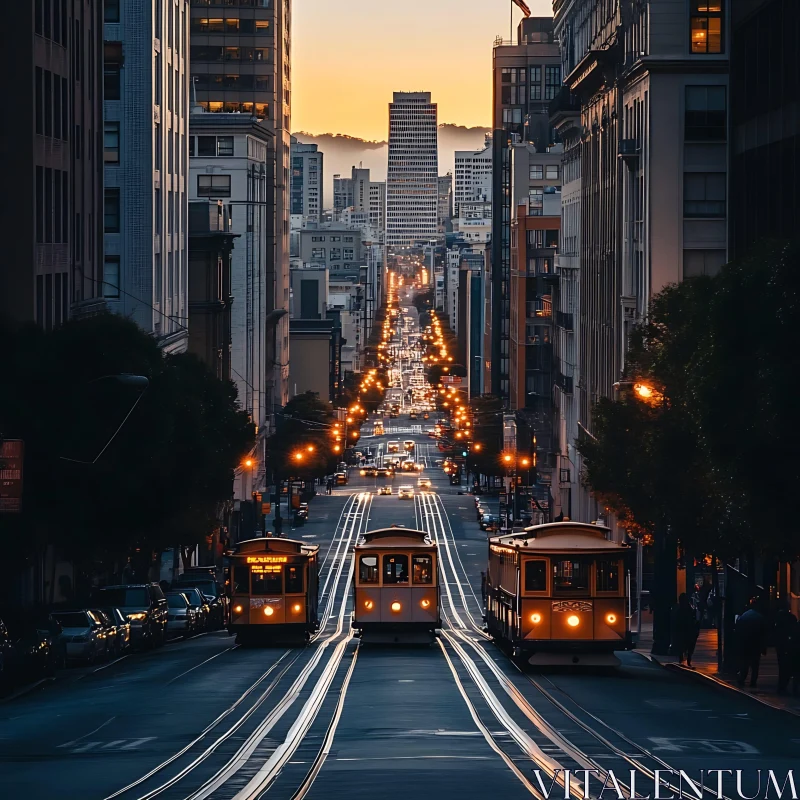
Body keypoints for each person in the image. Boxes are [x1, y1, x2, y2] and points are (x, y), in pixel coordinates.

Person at [735, 598, 767, 688]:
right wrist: (763, 647)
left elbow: (739, 631)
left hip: (745, 644)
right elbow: (763, 633)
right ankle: (753, 682)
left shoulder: (744, 616)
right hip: (756, 644)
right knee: (755, 665)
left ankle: (742, 679)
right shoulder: (760, 617)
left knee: (745, 663)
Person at [773, 601, 799, 694]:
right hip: (789, 645)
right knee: (790, 667)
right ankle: (787, 686)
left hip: (781, 645)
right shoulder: (791, 618)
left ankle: (782, 686)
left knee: (783, 666)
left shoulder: (777, 618)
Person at [670, 593, 700, 667]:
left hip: (682, 631)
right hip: (687, 631)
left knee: (682, 646)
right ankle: (688, 659)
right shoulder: (689, 609)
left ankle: (683, 659)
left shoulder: (678, 610)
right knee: (689, 646)